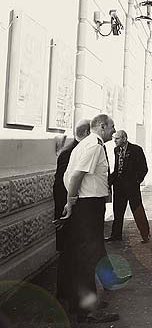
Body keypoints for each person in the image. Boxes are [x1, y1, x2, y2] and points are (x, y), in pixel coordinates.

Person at [61, 114, 124, 323]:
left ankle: (81, 303)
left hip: (87, 205)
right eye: (112, 127)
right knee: (87, 259)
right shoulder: (94, 145)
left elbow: (72, 174)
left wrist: (72, 200)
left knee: (85, 256)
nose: (114, 131)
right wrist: (71, 201)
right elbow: (76, 175)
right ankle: (88, 310)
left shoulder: (87, 143)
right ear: (102, 126)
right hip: (88, 206)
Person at [53, 119, 90, 307]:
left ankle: (72, 295)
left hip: (70, 211)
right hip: (68, 213)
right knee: (70, 255)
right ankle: (68, 296)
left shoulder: (74, 150)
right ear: (86, 133)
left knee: (72, 254)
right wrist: (67, 209)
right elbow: (62, 186)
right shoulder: (71, 153)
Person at [105, 130, 150, 243]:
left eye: (117, 138)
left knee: (137, 209)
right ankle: (116, 235)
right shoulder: (116, 150)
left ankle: (145, 234)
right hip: (119, 187)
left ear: (124, 138)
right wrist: (109, 182)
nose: (114, 141)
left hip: (132, 186)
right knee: (118, 211)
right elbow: (117, 169)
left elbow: (144, 168)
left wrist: (137, 181)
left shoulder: (136, 150)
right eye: (114, 138)